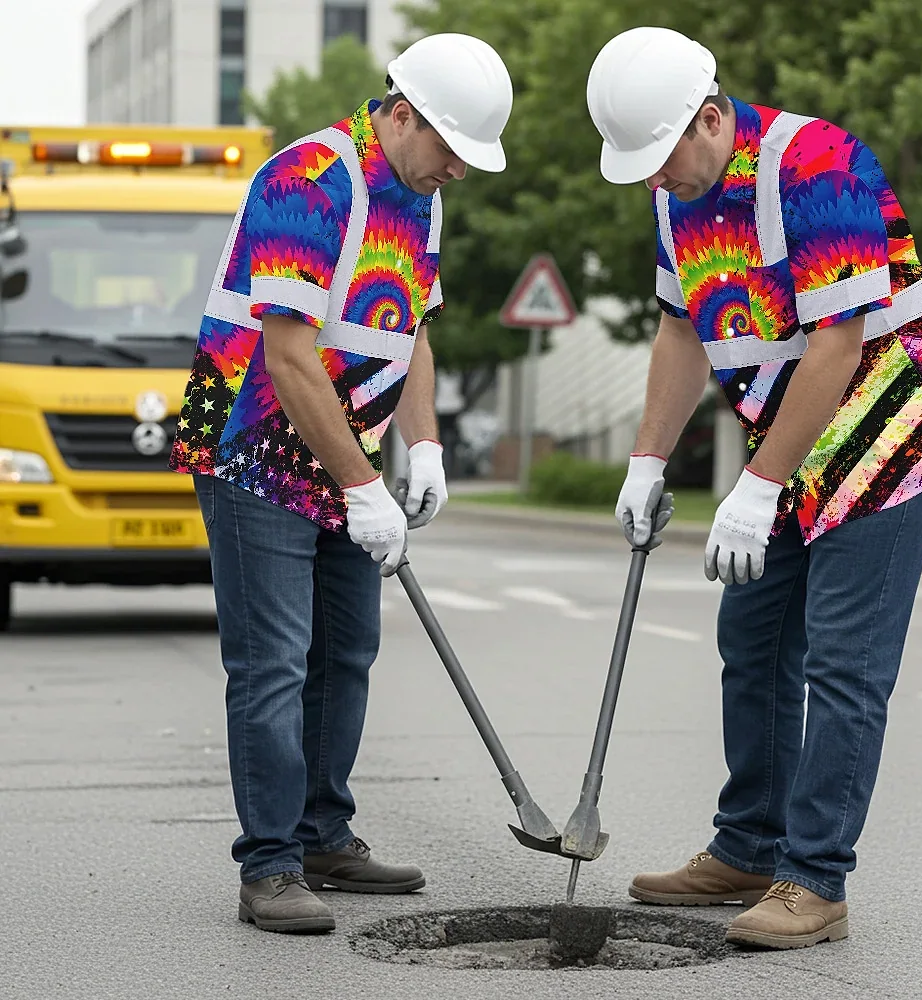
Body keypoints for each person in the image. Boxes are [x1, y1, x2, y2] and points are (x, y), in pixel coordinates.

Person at [587, 26, 922, 949]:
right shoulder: (676, 195)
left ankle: (816, 881)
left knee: (844, 664)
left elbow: (839, 344)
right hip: (795, 441)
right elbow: (682, 330)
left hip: (890, 431)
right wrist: (648, 459)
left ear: (711, 117)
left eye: (662, 158)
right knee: (754, 638)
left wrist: (758, 486)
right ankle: (748, 847)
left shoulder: (819, 165)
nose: (654, 181)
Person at [168, 33, 513, 934]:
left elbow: (411, 330)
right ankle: (270, 865)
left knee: (346, 651)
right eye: (451, 148)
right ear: (401, 115)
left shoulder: (422, 197)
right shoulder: (308, 180)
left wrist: (425, 446)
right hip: (251, 447)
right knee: (274, 662)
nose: (459, 170)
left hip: (341, 447)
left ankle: (322, 834)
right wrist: (365, 488)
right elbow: (288, 357)